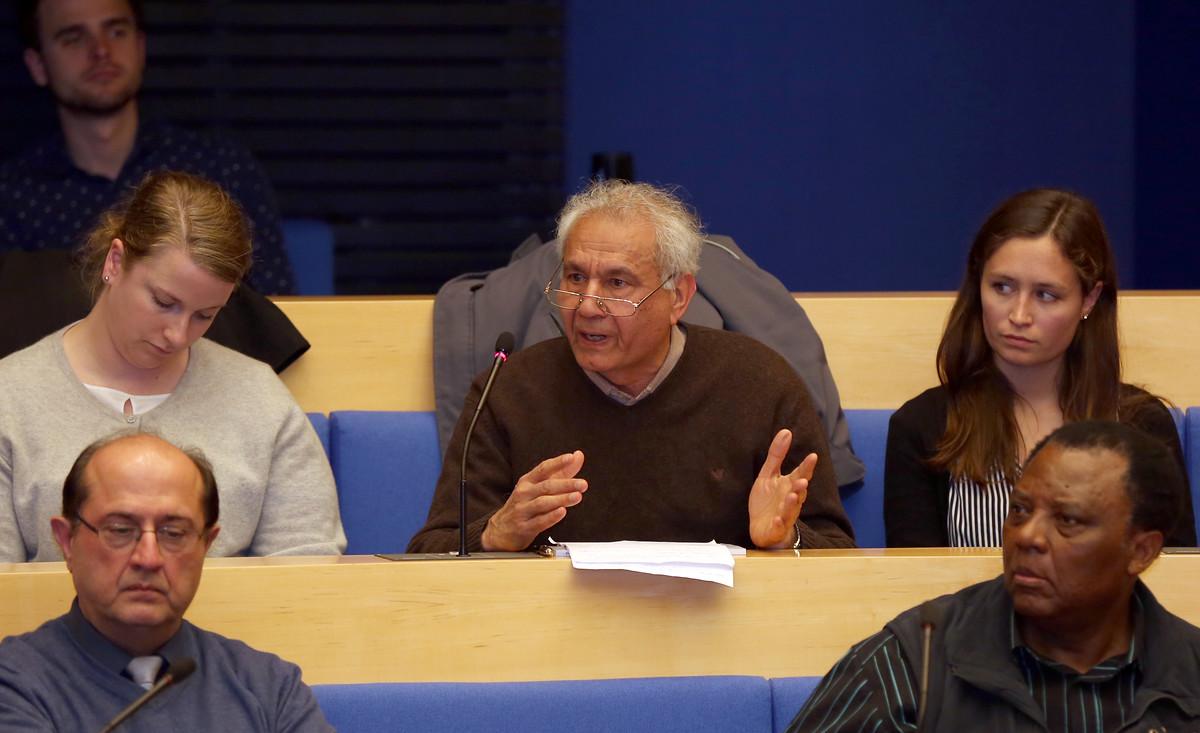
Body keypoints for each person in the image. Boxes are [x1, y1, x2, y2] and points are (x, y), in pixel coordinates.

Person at [407, 179, 854, 553]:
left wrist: (785, 539)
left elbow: (839, 551)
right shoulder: (508, 390)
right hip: (554, 629)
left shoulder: (761, 384)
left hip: (714, 629)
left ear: (678, 297)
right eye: (575, 277)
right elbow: (431, 549)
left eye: (617, 283)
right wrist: (494, 534)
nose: (586, 306)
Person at [0, 169, 344, 562]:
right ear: (115, 261)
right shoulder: (10, 397)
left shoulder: (258, 396)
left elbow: (309, 564)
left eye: (205, 315)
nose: (178, 335)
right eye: (164, 303)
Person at [788, 420, 1200, 732]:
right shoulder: (911, 665)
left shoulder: (1189, 673)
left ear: (1141, 551)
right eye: (1019, 510)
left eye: (1068, 520)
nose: (1028, 536)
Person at [884, 188, 1196, 547]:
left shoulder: (1142, 425)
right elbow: (917, 577)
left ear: (1089, 299)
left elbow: (1176, 572)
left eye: (1046, 295)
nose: (1019, 315)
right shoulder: (922, 426)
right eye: (1002, 287)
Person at [0, 432, 334, 731]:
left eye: (174, 533)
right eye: (120, 530)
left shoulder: (270, 687)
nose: (148, 558)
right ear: (67, 540)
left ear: (206, 545)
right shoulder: (14, 682)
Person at [0, 0, 295, 295]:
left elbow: (273, 307)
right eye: (74, 38)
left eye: (116, 32)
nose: (101, 50)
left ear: (140, 47)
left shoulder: (222, 168)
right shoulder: (12, 195)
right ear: (38, 65)